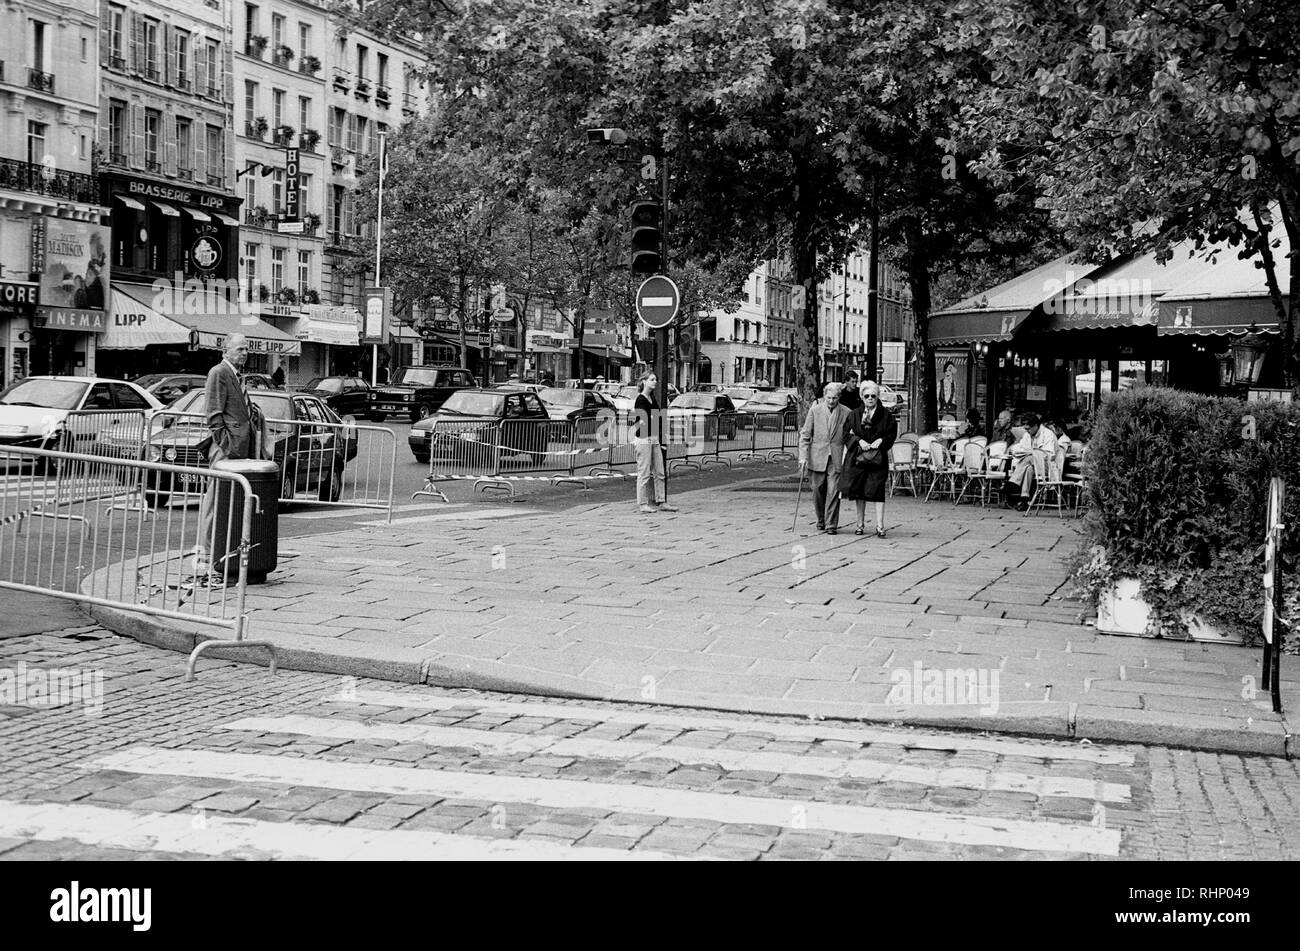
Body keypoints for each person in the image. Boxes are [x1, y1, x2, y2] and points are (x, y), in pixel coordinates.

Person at [195, 335, 255, 574]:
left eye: (247, 349)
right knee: (214, 498)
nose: (245, 353)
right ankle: (207, 551)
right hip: (226, 450)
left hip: (238, 448)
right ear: (225, 350)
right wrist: (227, 444)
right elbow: (213, 414)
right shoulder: (218, 373)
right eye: (240, 349)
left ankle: (222, 548)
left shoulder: (237, 375)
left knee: (229, 499)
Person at [841, 380, 897, 536]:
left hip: (878, 459)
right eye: (867, 396)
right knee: (859, 491)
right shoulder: (853, 415)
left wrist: (882, 441)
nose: (870, 398)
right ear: (862, 397)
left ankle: (880, 526)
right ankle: (860, 524)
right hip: (859, 459)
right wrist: (859, 441)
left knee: (878, 491)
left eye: (873, 396)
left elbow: (892, 433)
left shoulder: (886, 415)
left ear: (878, 396)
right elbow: (846, 434)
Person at [798, 381, 852, 534]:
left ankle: (831, 524)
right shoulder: (815, 411)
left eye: (834, 398)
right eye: (829, 398)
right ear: (824, 396)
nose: (831, 401)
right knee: (817, 489)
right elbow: (805, 435)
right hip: (817, 455)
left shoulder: (846, 412)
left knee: (834, 490)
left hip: (836, 456)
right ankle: (821, 518)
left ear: (839, 398)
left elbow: (850, 435)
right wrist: (803, 457)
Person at [631, 371, 676, 514]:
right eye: (651, 379)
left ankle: (661, 501)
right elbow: (644, 421)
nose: (655, 382)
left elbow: (657, 417)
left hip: (654, 437)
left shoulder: (652, 398)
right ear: (644, 381)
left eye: (655, 379)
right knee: (644, 472)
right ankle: (642, 504)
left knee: (660, 471)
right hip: (644, 439)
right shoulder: (640, 399)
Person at [1007, 412, 1058, 510]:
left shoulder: (1048, 434)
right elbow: (1022, 446)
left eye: (1028, 428)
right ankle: (1024, 499)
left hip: (1047, 466)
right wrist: (1014, 450)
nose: (1027, 431)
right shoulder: (1028, 434)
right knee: (1028, 468)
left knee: (1030, 458)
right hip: (1032, 465)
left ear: (1035, 426)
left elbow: (1050, 455)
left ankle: (1012, 484)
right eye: (1025, 429)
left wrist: (1034, 454)